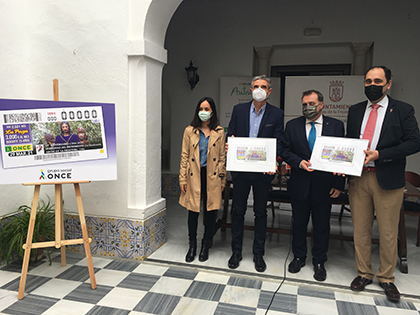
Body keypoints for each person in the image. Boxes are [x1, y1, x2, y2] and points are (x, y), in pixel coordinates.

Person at [346, 66, 420, 301]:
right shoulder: (355, 110)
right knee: (360, 229)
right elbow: (349, 143)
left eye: (377, 81)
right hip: (359, 178)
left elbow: (414, 143)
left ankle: (386, 278)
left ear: (388, 84)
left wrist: (381, 154)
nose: (372, 85)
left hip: (387, 177)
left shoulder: (403, 110)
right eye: (368, 81)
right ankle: (364, 273)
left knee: (388, 232)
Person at [280, 90, 344, 281]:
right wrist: (299, 162)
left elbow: (342, 155)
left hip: (324, 186)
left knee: (322, 225)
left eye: (311, 103)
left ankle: (319, 261)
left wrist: (339, 184)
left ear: (321, 104)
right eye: (304, 104)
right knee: (298, 223)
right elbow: (283, 150)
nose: (308, 107)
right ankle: (299, 257)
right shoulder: (292, 126)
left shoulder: (336, 126)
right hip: (300, 183)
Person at [227, 75, 284, 272]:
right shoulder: (239, 110)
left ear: (269, 91)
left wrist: (274, 161)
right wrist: (230, 143)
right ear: (251, 90)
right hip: (241, 171)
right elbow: (231, 134)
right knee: (237, 211)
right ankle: (236, 252)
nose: (259, 89)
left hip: (262, 173)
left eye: (264, 87)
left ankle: (258, 253)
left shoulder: (276, 114)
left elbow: (278, 141)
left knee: (261, 212)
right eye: (256, 86)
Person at [179, 97, 226, 263]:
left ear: (212, 111)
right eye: (201, 108)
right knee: (193, 211)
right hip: (194, 175)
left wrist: (222, 179)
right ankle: (192, 246)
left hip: (212, 176)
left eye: (207, 109)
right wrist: (182, 179)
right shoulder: (189, 131)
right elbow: (185, 155)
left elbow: (222, 158)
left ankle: (206, 245)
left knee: (210, 211)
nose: (203, 112)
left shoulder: (219, 132)